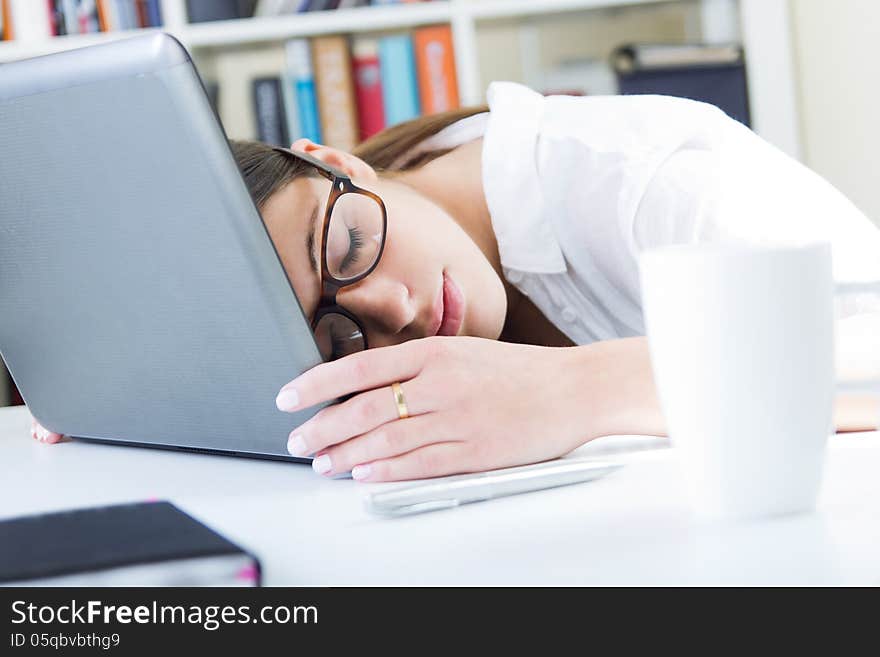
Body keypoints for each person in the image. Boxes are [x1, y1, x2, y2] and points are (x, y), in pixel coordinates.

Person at [30, 81, 880, 481]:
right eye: (338, 334)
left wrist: (575, 391)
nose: (395, 309)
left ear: (334, 161)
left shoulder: (646, 174)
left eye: (349, 245)